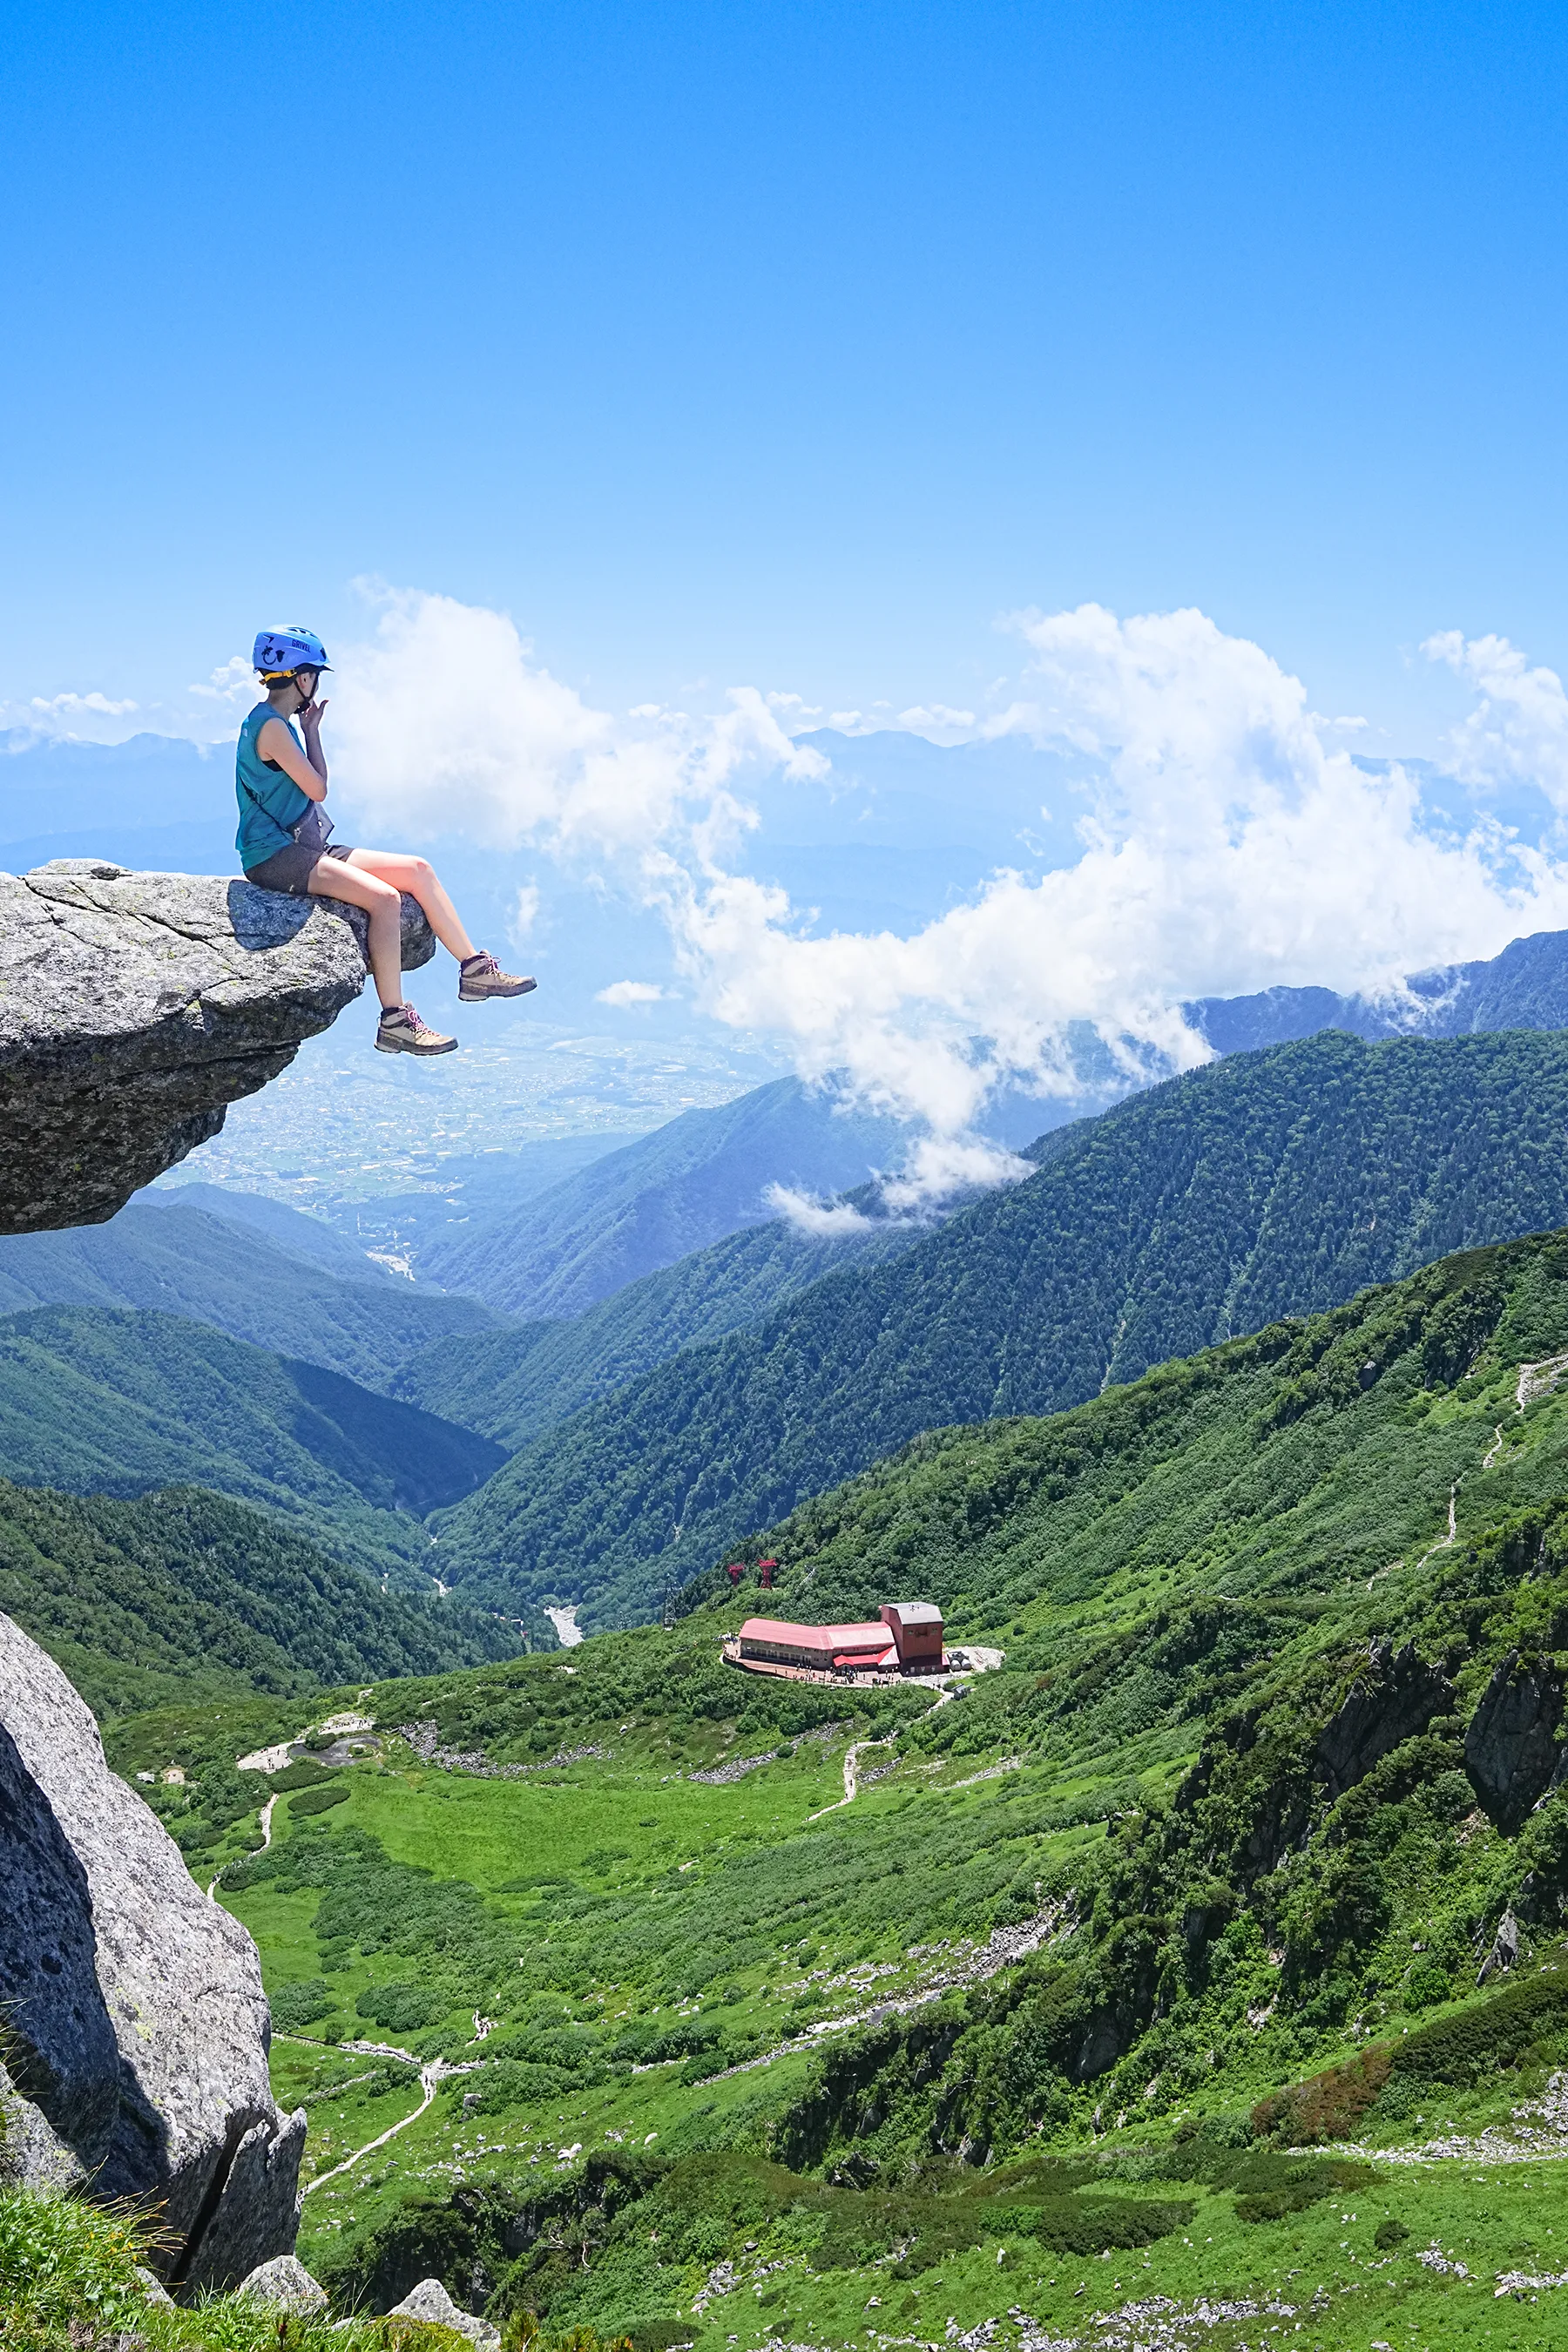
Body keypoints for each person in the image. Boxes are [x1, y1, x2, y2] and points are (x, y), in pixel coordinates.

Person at [236, 626, 534, 1056]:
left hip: (302, 847)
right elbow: (317, 789)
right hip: (275, 856)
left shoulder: (273, 723)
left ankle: (475, 970)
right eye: (314, 674)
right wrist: (314, 733)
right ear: (302, 677)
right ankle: (395, 1021)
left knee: (417, 871)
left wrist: (308, 729)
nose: (316, 683)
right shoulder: (274, 729)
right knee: (385, 900)